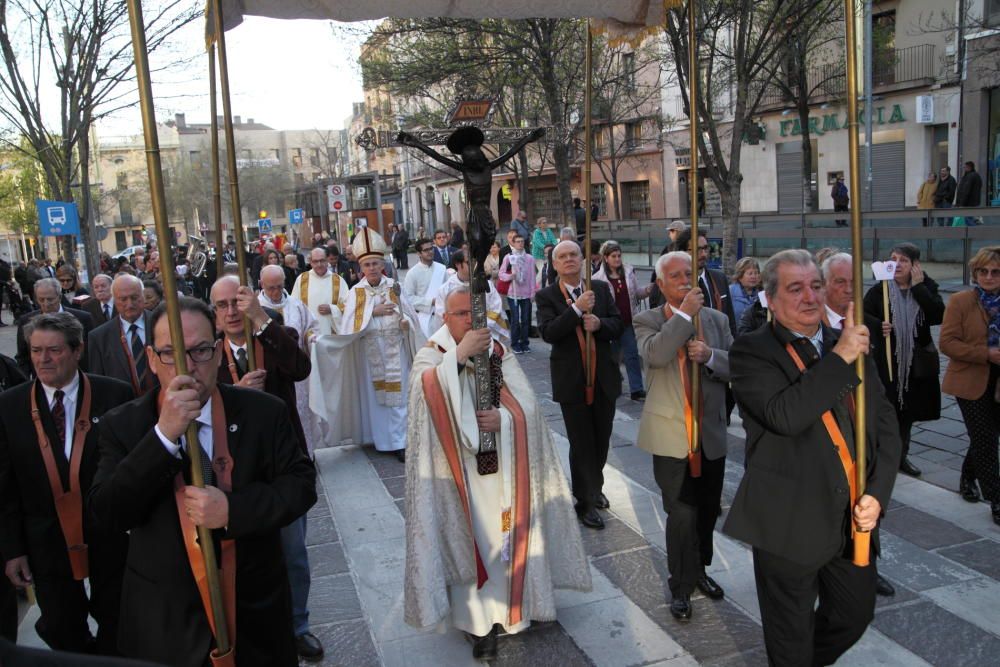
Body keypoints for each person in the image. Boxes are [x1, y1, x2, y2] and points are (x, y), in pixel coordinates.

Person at [88, 297, 317, 667]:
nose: (188, 366)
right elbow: (109, 512)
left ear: (218, 347)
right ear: (150, 358)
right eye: (170, 353)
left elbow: (301, 484)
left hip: (254, 612)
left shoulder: (263, 412)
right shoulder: (124, 424)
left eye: (201, 350)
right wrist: (163, 437)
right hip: (167, 623)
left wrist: (234, 509)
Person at [723, 249, 901, 666]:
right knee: (790, 636)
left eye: (816, 286)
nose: (810, 296)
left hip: (850, 517)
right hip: (788, 522)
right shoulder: (751, 351)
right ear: (770, 297)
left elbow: (886, 426)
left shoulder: (851, 341)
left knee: (854, 615)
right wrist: (840, 357)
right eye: (795, 288)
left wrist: (878, 494)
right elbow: (786, 415)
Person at [404, 286, 590, 660]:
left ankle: (515, 608)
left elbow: (529, 408)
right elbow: (423, 396)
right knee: (474, 542)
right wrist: (459, 356)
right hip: (459, 473)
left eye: (476, 317)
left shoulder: (498, 352)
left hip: (503, 466)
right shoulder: (432, 354)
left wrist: (504, 419)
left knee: (507, 534)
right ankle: (477, 623)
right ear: (444, 317)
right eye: (460, 315)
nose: (470, 323)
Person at [0, 313, 133, 654]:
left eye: (54, 350)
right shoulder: (10, 406)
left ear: (77, 351)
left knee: (118, 620)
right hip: (45, 539)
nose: (43, 359)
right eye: (36, 350)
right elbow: (5, 485)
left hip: (107, 535)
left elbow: (131, 469)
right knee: (60, 625)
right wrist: (13, 550)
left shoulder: (115, 395)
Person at [210, 276, 323, 662]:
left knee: (293, 553)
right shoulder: (207, 355)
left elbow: (300, 368)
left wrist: (261, 320)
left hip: (281, 463)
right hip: (235, 470)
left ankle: (298, 626)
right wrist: (236, 391)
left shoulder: (275, 334)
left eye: (236, 302)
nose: (231, 312)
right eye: (222, 306)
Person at [634, 251, 732, 621]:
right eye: (674, 276)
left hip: (709, 431)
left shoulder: (717, 320)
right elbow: (656, 355)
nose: (683, 280)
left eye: (688, 273)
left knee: (707, 509)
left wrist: (710, 356)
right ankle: (681, 584)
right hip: (671, 432)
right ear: (660, 284)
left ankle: (701, 569)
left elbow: (736, 363)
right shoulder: (647, 319)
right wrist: (684, 316)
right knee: (681, 513)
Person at [819, 252, 896, 598]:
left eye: (854, 282)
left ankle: (868, 566)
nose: (849, 289)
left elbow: (876, 388)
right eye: (840, 282)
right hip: (827, 441)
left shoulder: (867, 321)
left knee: (868, 502)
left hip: (862, 431)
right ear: (823, 287)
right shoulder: (812, 325)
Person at [310, 228, 422, 462]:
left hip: (396, 350)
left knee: (399, 397)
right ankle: (381, 439)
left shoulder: (394, 286)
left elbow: (411, 316)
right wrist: (374, 312)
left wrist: (406, 323)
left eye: (375, 263)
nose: (372, 268)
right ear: (361, 268)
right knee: (376, 400)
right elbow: (349, 327)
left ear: (383, 265)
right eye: (367, 264)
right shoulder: (356, 293)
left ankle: (400, 441)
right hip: (370, 354)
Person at [535, 241, 623, 530]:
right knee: (581, 442)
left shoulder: (598, 289)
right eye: (563, 256)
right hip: (572, 380)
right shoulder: (546, 295)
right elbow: (549, 332)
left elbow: (618, 323)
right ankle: (584, 501)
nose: (569, 259)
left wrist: (600, 324)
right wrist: (576, 309)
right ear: (555, 264)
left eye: (574, 254)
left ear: (583, 259)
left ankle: (594, 487)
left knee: (601, 439)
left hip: (603, 377)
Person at [864, 243, 944, 478]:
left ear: (915, 265)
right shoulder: (881, 290)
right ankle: (881, 455)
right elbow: (863, 314)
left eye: (903, 260)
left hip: (915, 364)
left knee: (907, 414)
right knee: (887, 411)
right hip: (888, 362)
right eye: (893, 259)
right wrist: (879, 325)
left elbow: (937, 315)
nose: (897, 264)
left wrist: (918, 288)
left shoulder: (926, 287)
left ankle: (900, 457)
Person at [940, 246, 1000, 524]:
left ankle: (967, 477)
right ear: (975, 273)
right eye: (982, 271)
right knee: (986, 441)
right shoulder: (961, 301)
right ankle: (996, 500)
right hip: (970, 380)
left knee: (986, 436)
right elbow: (947, 343)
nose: (988, 276)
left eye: (995, 272)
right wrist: (985, 354)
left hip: (998, 382)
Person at [593, 240, 653, 400]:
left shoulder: (628, 271)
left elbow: (637, 293)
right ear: (606, 258)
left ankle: (636, 389)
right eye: (614, 256)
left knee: (632, 355)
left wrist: (647, 290)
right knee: (612, 358)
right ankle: (611, 386)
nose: (618, 259)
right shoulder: (598, 278)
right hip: (610, 324)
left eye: (619, 256)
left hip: (628, 322)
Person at [87, 275, 156, 396]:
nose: (129, 304)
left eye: (134, 298)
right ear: (114, 300)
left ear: (143, 296)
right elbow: (99, 384)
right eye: (123, 299)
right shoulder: (99, 337)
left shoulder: (161, 324)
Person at [15, 279, 94, 378]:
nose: (46, 304)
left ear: (59, 297)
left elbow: (91, 352)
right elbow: (22, 358)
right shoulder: (26, 321)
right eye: (41, 299)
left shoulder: (83, 318)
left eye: (50, 299)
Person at [430, 250, 508, 343]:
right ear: (458, 264)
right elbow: (442, 314)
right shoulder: (445, 289)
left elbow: (496, 308)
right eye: (469, 262)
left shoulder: (486, 284)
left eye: (476, 262)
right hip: (457, 336)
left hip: (485, 332)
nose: (474, 265)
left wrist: (479, 327)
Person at [290, 247, 349, 336]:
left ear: (327, 260)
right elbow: (293, 306)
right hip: (309, 335)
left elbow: (348, 305)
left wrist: (332, 309)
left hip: (332, 335)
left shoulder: (338, 281)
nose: (319, 264)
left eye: (322, 260)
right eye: (315, 261)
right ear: (310, 262)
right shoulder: (302, 280)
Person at [497, 233, 535, 354]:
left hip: (526, 292)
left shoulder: (529, 258)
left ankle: (524, 342)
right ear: (513, 243)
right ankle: (514, 343)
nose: (520, 244)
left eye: (522, 241)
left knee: (525, 319)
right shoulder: (509, 257)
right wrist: (510, 276)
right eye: (517, 241)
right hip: (512, 293)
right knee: (515, 319)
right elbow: (501, 274)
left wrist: (533, 292)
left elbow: (532, 276)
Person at [402, 238, 448, 337]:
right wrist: (431, 302)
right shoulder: (412, 273)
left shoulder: (442, 268)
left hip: (443, 318)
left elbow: (448, 291)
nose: (430, 252)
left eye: (431, 248)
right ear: (419, 253)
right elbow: (408, 298)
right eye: (426, 250)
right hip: (423, 319)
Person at [729, 257, 761, 323]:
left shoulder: (762, 294)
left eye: (756, 273)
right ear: (740, 276)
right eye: (750, 273)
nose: (754, 276)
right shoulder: (730, 292)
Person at [955, 160, 983, 225]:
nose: (964, 168)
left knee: (969, 220)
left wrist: (961, 203)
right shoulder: (976, 175)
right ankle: (972, 232)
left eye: (965, 167)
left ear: (969, 167)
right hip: (973, 202)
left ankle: (972, 233)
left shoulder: (970, 176)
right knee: (971, 219)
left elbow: (966, 191)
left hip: (968, 203)